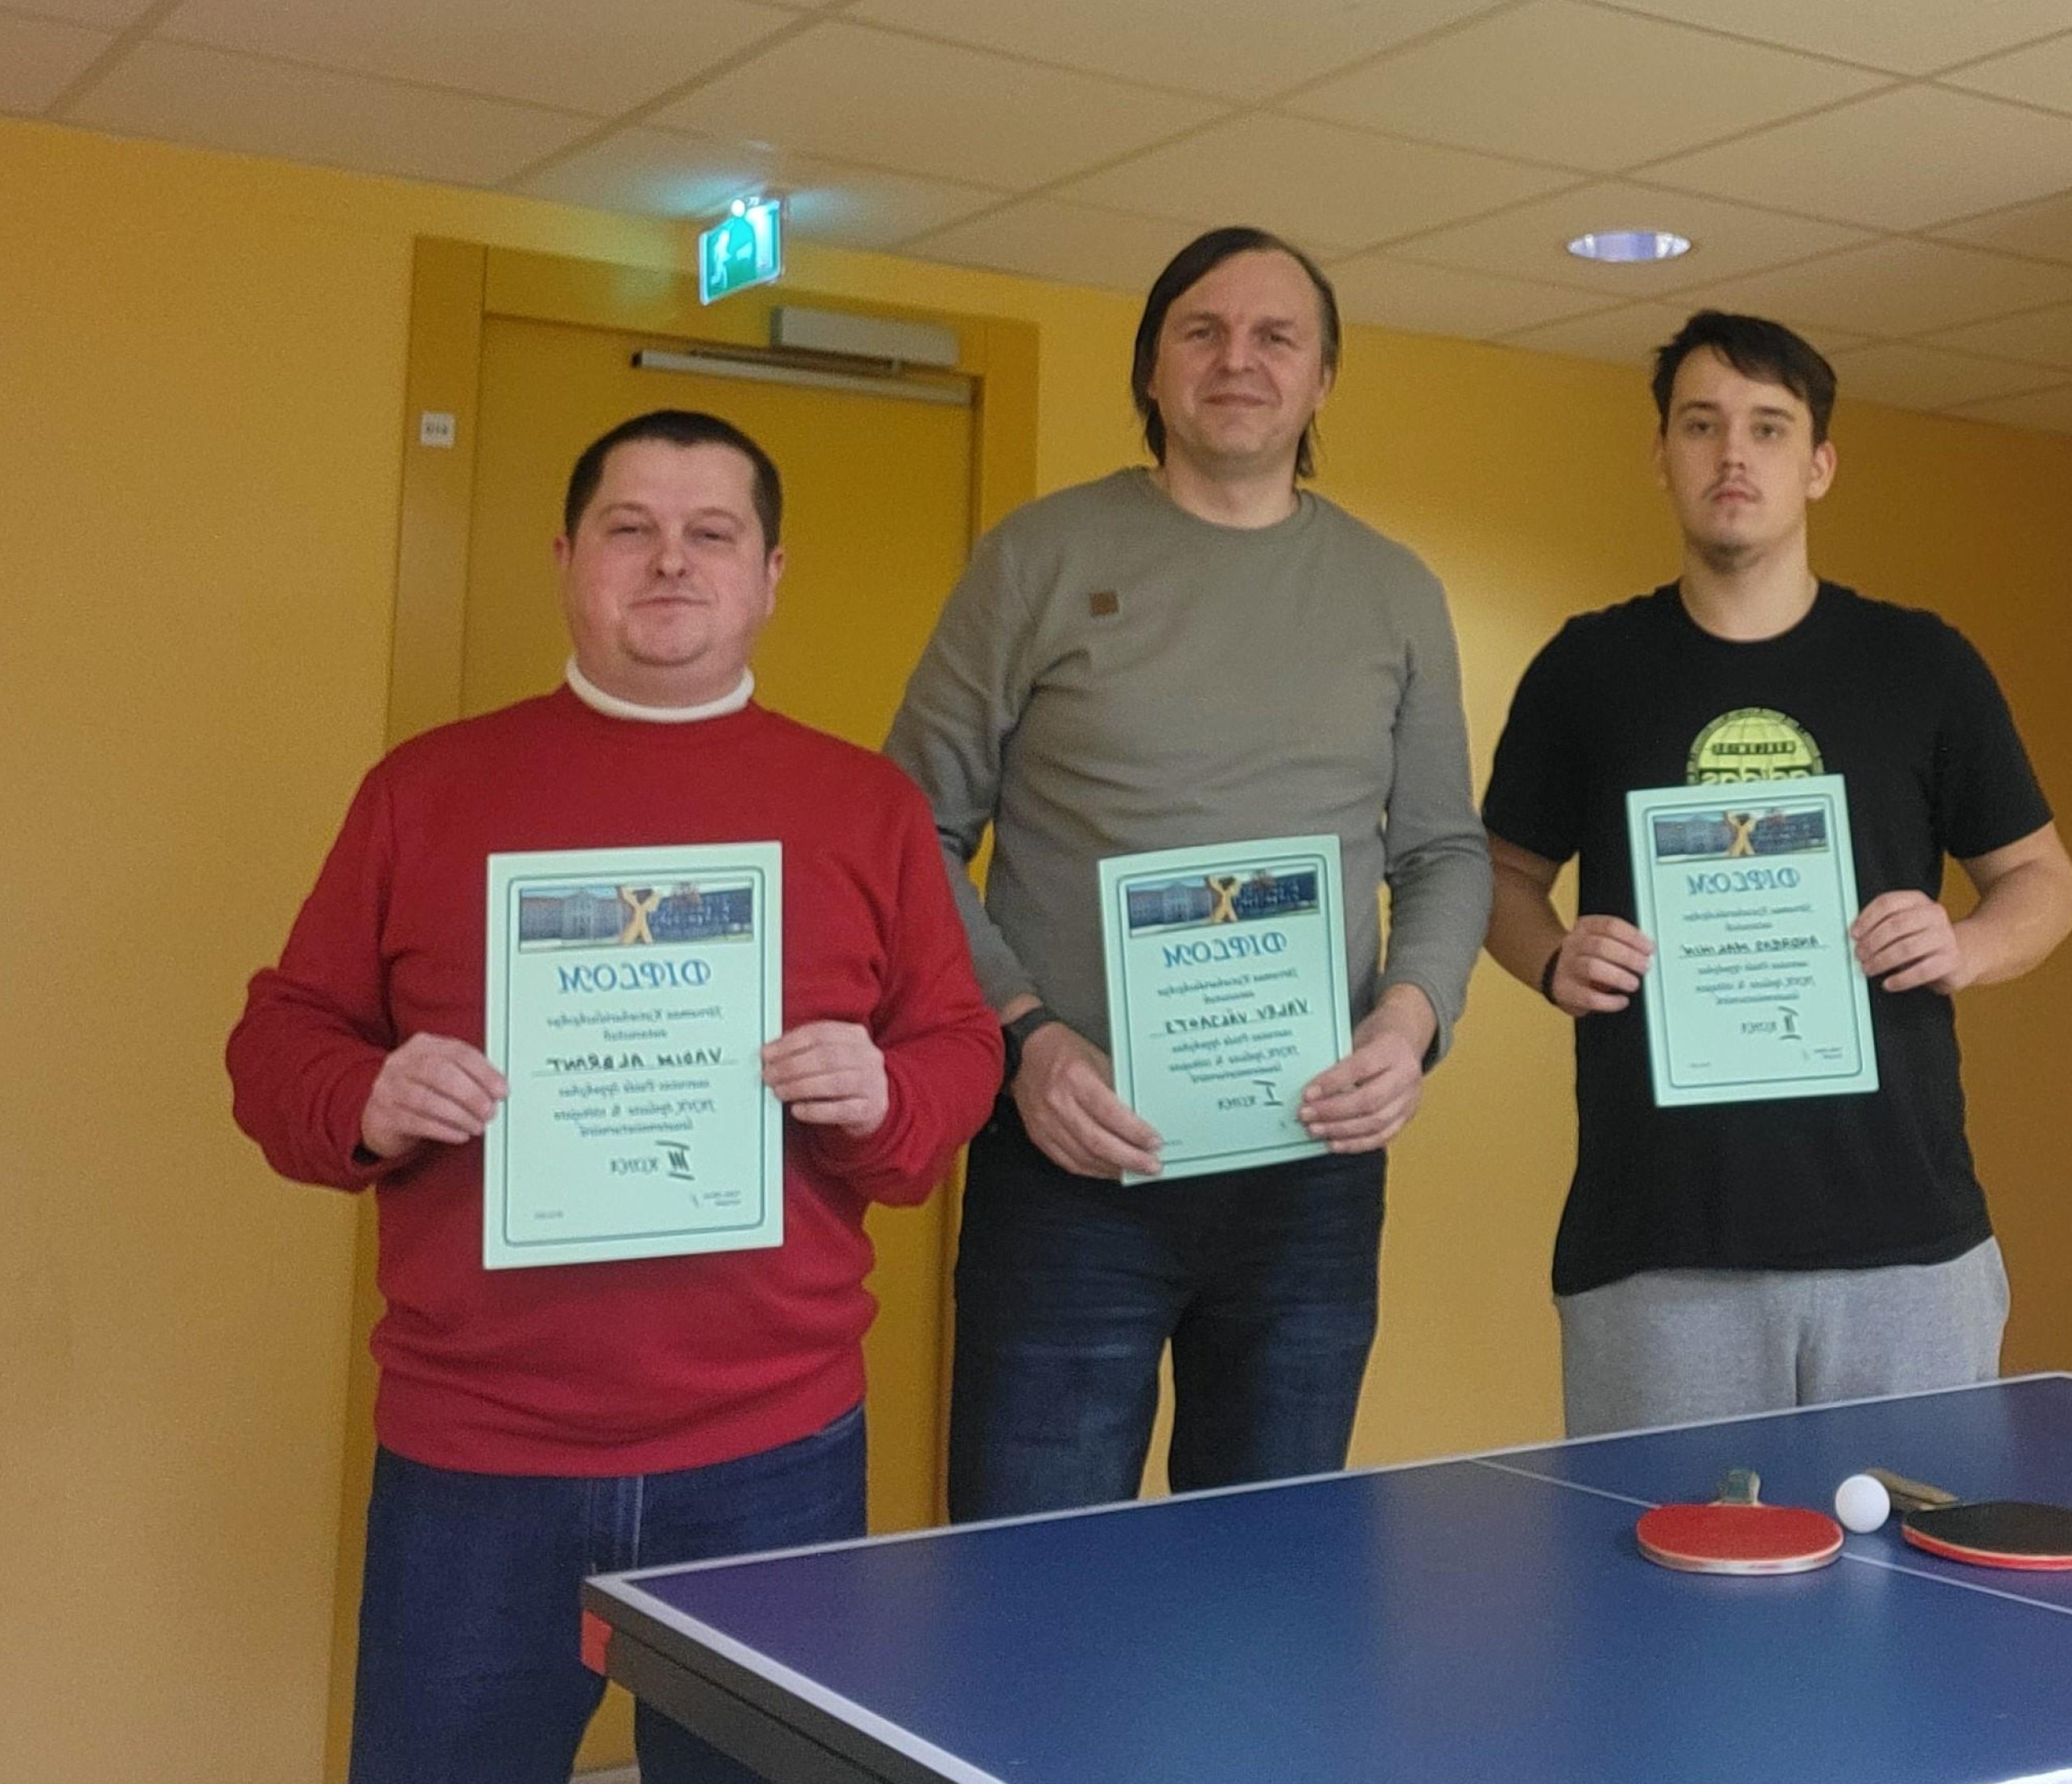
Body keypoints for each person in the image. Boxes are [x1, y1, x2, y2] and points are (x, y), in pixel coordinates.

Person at [229, 410, 1001, 1784]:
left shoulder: (866, 806)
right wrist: (368, 1094)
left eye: (713, 534)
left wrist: (883, 1093)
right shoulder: (425, 791)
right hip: (478, 1455)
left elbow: (957, 1048)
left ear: (770, 574)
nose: (671, 562)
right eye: (629, 529)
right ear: (566, 559)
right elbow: (279, 1041)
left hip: (775, 1452)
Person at [888, 225, 1490, 1521]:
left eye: (1278, 337)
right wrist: (1024, 1039)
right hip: (1072, 1159)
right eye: (1202, 332)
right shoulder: (1037, 559)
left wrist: (1409, 1022)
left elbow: (1444, 850)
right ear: (1152, 370)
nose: (1238, 361)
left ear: (1322, 380)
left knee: (1266, 1578)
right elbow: (910, 832)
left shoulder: (1394, 592)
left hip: (1310, 1170)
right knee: (1030, 1573)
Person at [1477, 312, 2072, 1438]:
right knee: (1669, 1557)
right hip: (1658, 1250)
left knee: (1923, 1549)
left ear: (1819, 465)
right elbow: (1499, 875)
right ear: (1662, 455)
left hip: (1906, 1242)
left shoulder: (1921, 663)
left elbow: (2043, 879)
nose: (1732, 455)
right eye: (1701, 426)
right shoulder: (1586, 671)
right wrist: (1552, 956)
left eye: (1768, 427)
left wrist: (1965, 944)